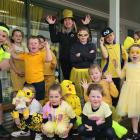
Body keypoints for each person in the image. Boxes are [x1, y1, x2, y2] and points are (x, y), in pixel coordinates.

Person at [46, 9, 91, 79]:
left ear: (73, 22)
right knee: (67, 81)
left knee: (76, 80)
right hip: (64, 62)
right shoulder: (61, 34)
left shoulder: (77, 33)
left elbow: (87, 38)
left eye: (69, 19)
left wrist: (86, 25)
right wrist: (51, 25)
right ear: (63, 22)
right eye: (65, 20)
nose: (68, 22)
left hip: (76, 61)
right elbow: (54, 39)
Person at [11, 36, 52, 101]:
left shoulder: (41, 54)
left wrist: (47, 47)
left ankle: (38, 111)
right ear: (28, 46)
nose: (33, 45)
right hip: (28, 83)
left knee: (38, 100)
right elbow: (15, 56)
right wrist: (11, 50)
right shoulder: (26, 55)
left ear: (39, 46)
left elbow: (49, 59)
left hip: (39, 83)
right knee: (27, 99)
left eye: (35, 43)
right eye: (31, 43)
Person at [116, 44, 140, 140]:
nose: (135, 54)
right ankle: (135, 132)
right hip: (130, 91)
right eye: (132, 52)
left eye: (137, 52)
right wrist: (116, 67)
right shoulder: (127, 65)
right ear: (129, 54)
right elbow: (121, 76)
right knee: (134, 112)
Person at [100, 27, 128, 106]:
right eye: (107, 37)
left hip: (117, 75)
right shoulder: (104, 46)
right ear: (104, 38)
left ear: (114, 35)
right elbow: (105, 56)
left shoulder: (120, 46)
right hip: (106, 75)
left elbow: (126, 58)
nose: (109, 38)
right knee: (106, 94)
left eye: (111, 35)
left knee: (116, 94)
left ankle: (115, 113)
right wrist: (101, 44)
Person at [70, 26, 96, 100]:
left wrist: (81, 54)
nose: (83, 37)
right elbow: (73, 59)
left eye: (85, 35)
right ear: (78, 36)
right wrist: (87, 55)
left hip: (88, 72)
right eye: (80, 35)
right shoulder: (74, 46)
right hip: (76, 72)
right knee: (77, 91)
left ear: (88, 35)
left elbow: (92, 57)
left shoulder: (92, 45)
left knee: (89, 91)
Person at [0, 22, 11, 138]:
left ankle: (0, 125)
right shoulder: (5, 51)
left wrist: (7, 53)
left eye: (4, 36)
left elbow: (5, 67)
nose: (1, 38)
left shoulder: (3, 50)